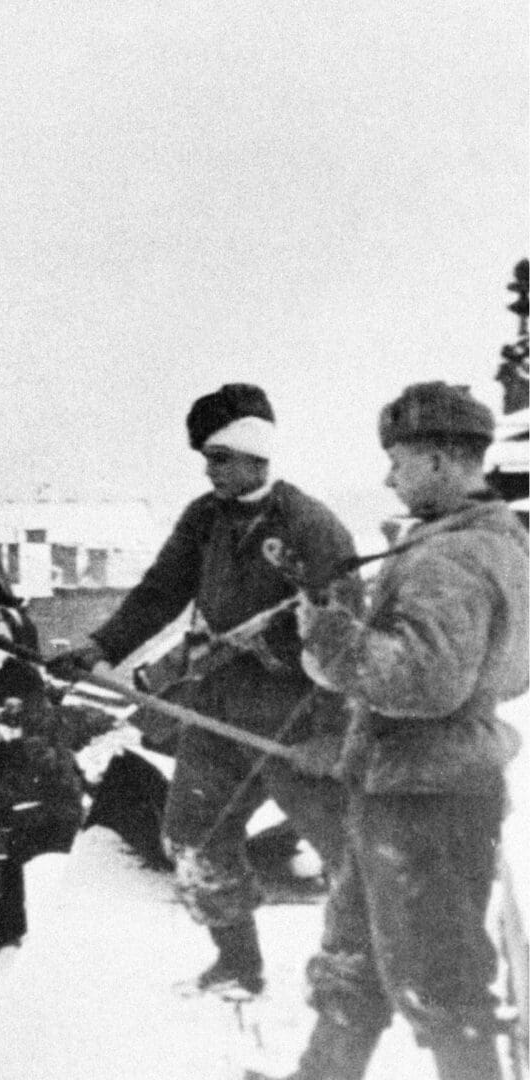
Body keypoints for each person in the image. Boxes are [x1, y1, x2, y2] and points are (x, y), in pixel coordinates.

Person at [47, 383, 358, 997]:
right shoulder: (205, 517)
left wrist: (334, 732)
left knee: (349, 853)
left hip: (294, 720)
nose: (210, 471)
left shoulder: (312, 527)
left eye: (219, 458)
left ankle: (371, 978)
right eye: (207, 460)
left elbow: (349, 640)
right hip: (215, 712)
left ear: (255, 456)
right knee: (193, 835)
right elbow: (162, 590)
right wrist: (102, 645)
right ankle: (239, 965)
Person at [261, 382, 526, 1080]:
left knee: (442, 986)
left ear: (440, 461)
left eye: (400, 461)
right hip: (415, 787)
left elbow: (423, 683)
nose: (389, 477)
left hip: (424, 801)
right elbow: (507, 673)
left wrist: (332, 634)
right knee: (357, 962)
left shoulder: (449, 559)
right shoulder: (499, 544)